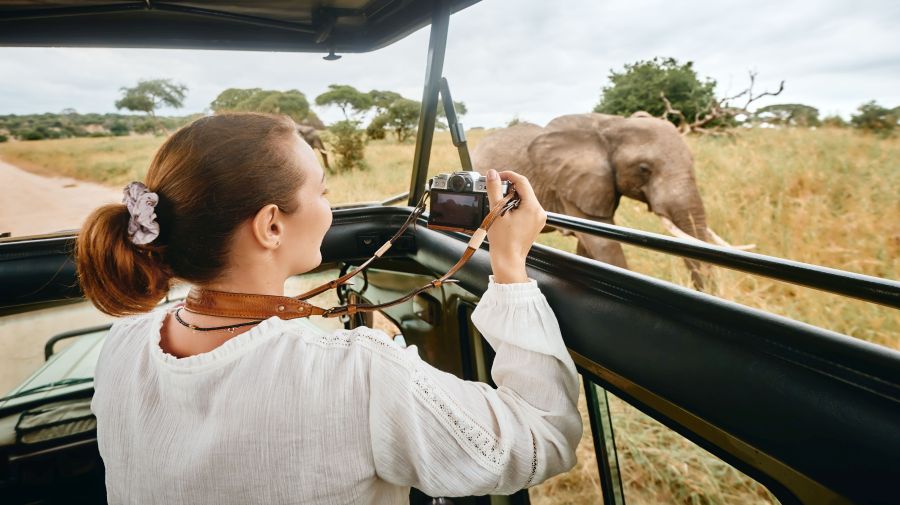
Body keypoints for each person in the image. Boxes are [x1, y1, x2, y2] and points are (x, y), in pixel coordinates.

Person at [77, 112, 582, 504]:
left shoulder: (123, 344)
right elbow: (543, 437)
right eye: (321, 191)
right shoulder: (356, 371)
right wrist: (510, 266)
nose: (330, 206)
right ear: (271, 226)